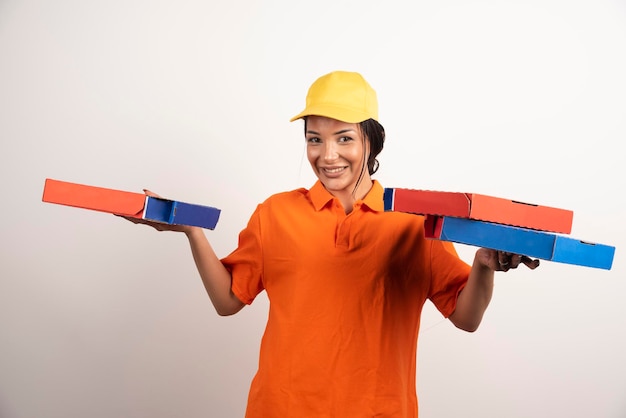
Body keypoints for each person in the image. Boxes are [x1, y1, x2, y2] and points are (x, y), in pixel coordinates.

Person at [125, 70, 540, 417]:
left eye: (344, 138)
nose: (327, 155)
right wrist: (191, 232)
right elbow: (227, 301)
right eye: (314, 138)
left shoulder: (415, 224)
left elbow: (466, 318)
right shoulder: (275, 214)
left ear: (370, 142)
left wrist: (483, 264)